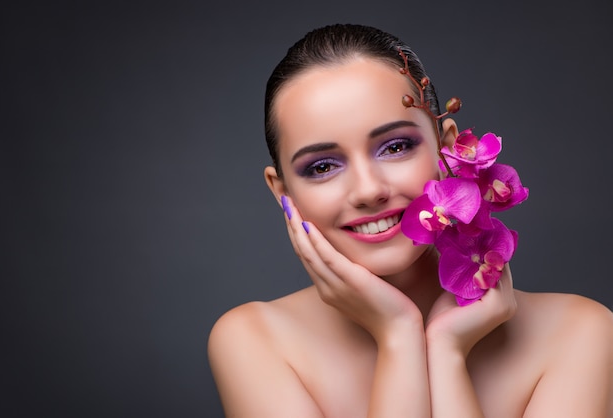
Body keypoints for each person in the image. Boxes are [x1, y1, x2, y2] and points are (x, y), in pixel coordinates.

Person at [207, 23, 613, 417]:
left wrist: (446, 350)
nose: (368, 190)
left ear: (449, 148)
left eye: (396, 146)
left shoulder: (580, 335)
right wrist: (398, 335)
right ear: (283, 192)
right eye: (322, 167)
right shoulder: (253, 341)